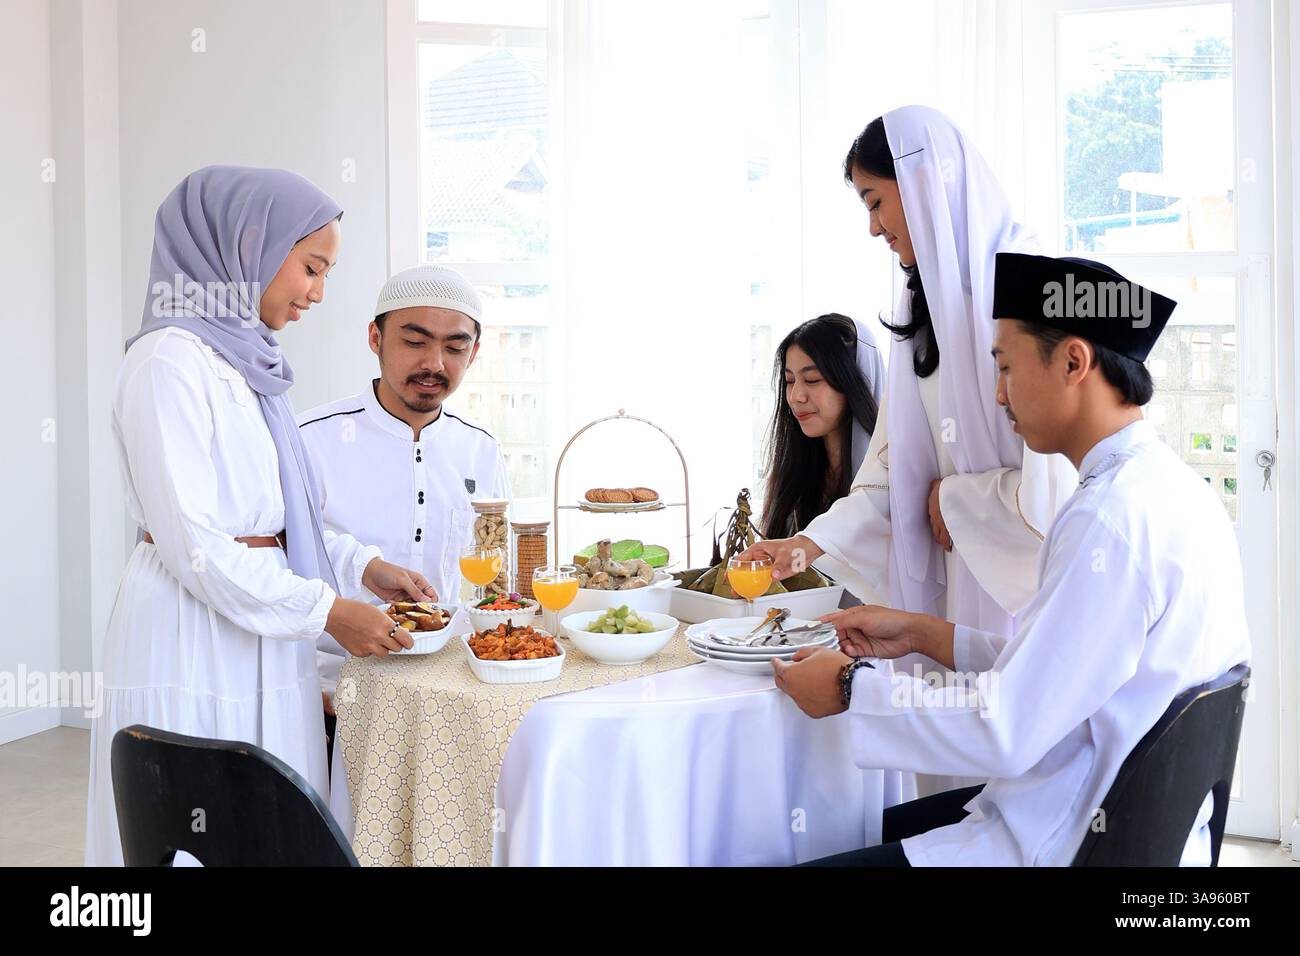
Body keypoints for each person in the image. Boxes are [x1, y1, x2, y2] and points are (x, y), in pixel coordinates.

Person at [773, 253, 1251, 866]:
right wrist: (927, 634)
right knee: (851, 827)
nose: (999, 394)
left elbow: (1007, 728)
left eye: (1005, 368)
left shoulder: (1109, 518)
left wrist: (848, 687)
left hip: (1071, 837)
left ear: (1074, 361)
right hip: (1126, 822)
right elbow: (1070, 678)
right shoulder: (1170, 489)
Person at [85, 166, 434, 866]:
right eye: (310, 266)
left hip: (262, 623)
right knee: (194, 829)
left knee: (267, 822)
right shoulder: (168, 364)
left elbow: (275, 523)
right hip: (192, 631)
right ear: (246, 245)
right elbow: (200, 549)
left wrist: (364, 568)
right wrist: (330, 609)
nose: (317, 293)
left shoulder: (248, 365)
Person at [741, 106, 1077, 796]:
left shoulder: (1032, 287)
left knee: (1016, 766)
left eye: (874, 201)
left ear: (923, 182)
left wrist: (957, 498)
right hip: (951, 587)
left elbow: (1061, 479)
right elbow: (891, 478)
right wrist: (804, 544)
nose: (873, 226)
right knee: (946, 784)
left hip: (1021, 578)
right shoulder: (921, 313)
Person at [297, 265, 509, 749]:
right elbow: (285, 547)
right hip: (331, 694)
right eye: (415, 341)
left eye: (455, 347)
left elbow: (495, 572)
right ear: (376, 337)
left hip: (448, 695)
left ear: (473, 353)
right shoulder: (312, 438)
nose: (435, 363)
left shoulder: (481, 449)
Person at [760, 313, 882, 603]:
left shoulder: (887, 483)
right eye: (790, 381)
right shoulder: (795, 476)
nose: (796, 396)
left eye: (813, 379)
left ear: (854, 381)